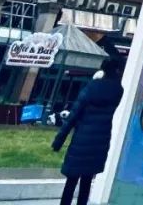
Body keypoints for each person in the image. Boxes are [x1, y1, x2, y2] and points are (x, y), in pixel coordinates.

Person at [53, 57, 125, 205]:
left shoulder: (92, 87)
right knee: (86, 181)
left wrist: (59, 140)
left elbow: (73, 115)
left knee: (71, 181)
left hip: (82, 139)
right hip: (100, 141)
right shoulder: (118, 90)